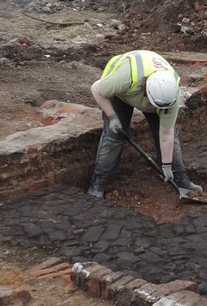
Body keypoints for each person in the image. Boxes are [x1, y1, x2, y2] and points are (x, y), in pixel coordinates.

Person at [86, 50, 201, 198]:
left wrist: (167, 166)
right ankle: (98, 182)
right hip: (121, 93)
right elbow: (96, 89)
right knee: (114, 136)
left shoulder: (170, 94)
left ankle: (180, 180)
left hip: (153, 96)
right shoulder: (125, 79)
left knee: (171, 134)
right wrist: (112, 116)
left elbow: (166, 135)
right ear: (147, 94)